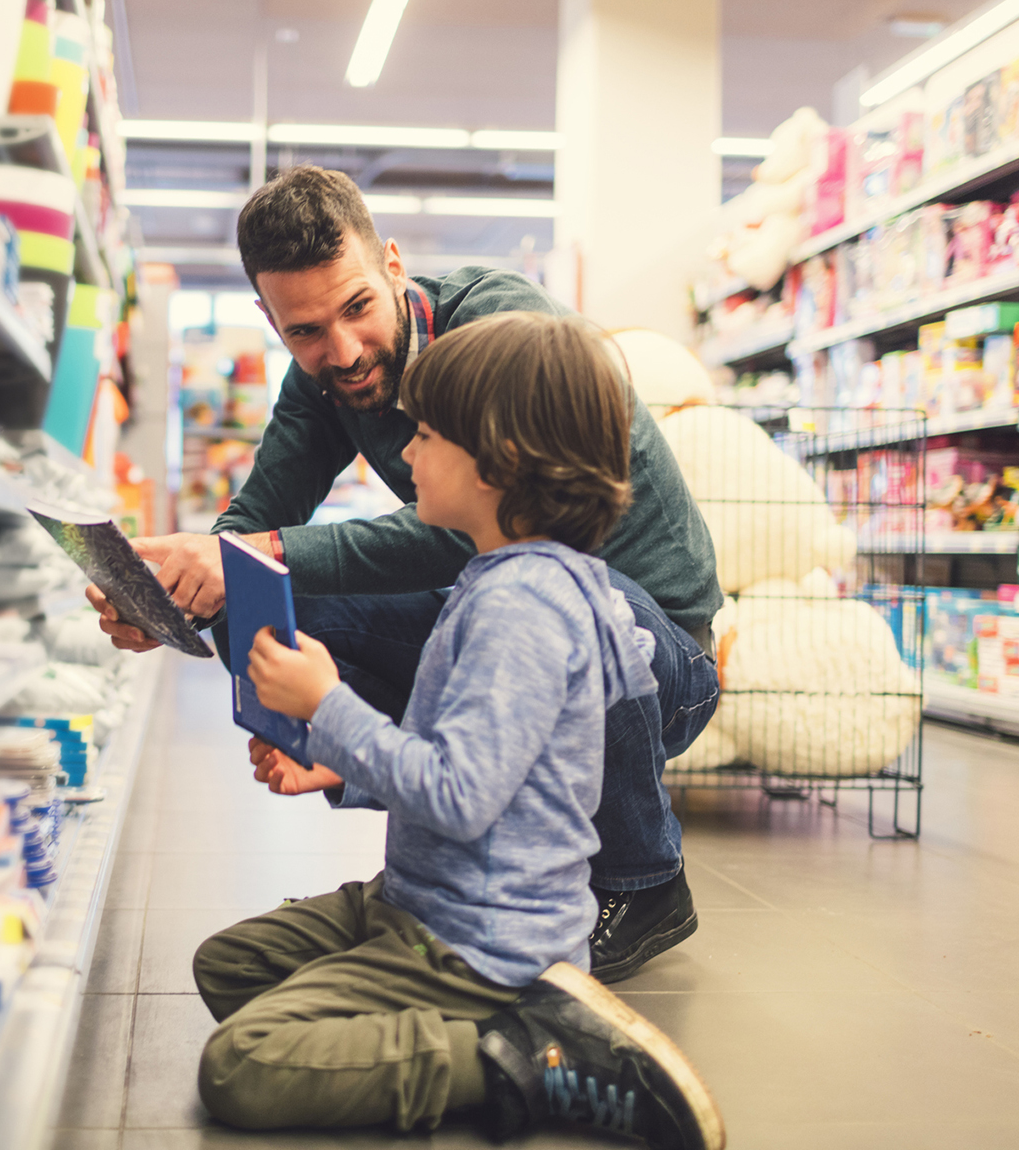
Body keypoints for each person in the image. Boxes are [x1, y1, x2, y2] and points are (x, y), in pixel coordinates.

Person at [90, 165, 722, 982]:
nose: (342, 352)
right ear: (270, 320)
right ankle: (441, 839)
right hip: (505, 618)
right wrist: (178, 591)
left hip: (656, 654)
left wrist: (255, 554)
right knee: (265, 600)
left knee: (579, 596)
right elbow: (256, 519)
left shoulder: (501, 334)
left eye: (356, 307)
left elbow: (481, 541)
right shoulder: (322, 379)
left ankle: (645, 884)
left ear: (391, 263)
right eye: (305, 331)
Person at [191, 313, 723, 1149]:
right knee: (228, 967)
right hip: (425, 896)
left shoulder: (524, 606)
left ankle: (526, 1055)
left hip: (476, 935)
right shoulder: (508, 578)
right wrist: (340, 769)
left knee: (241, 1062)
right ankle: (440, 1008)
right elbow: (485, 763)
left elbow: (462, 794)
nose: (406, 455)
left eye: (429, 435)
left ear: (501, 462)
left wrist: (328, 705)